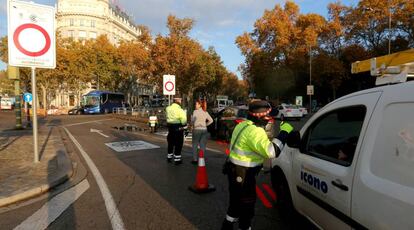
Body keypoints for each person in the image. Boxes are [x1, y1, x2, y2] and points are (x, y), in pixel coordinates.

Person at [221, 100, 293, 230]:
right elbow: (272, 152)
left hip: (234, 170)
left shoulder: (242, 125)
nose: (271, 119)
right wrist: (285, 132)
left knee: (235, 203)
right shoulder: (255, 131)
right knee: (247, 206)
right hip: (244, 175)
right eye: (269, 116)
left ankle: (227, 225)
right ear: (260, 116)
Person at [191, 100, 213, 164]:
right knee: (202, 145)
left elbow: (192, 121)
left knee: (195, 145)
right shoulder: (205, 112)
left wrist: (192, 124)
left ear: (200, 105)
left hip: (197, 129)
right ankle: (201, 159)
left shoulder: (195, 112)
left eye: (196, 104)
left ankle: (195, 160)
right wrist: (206, 124)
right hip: (204, 130)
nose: (195, 105)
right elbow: (211, 120)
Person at [166, 97, 187, 165]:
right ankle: (177, 160)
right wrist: (184, 126)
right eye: (180, 100)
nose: (181, 101)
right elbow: (183, 120)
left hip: (170, 127)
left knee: (170, 143)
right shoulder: (180, 110)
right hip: (178, 128)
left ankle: (169, 157)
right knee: (178, 144)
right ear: (177, 101)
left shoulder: (168, 108)